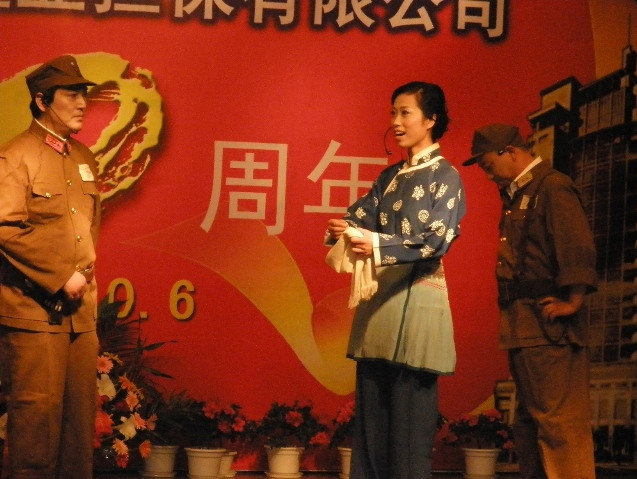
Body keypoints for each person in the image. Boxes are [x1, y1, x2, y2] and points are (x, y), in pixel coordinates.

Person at [326, 81, 466, 479]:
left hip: (417, 298)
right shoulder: (388, 177)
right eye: (393, 113)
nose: (396, 122)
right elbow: (360, 217)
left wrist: (375, 243)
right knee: (371, 421)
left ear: (431, 119)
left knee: (408, 422)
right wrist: (344, 229)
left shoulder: (446, 176)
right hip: (380, 300)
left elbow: (436, 240)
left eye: (405, 113)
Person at [462, 124, 597, 479]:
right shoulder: (520, 194)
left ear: (510, 151)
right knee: (530, 423)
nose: (488, 175)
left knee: (559, 423)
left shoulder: (552, 186)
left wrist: (573, 302)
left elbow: (577, 246)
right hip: (524, 324)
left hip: (548, 327)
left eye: (489, 165)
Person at [0, 55, 101, 479]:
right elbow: (5, 228)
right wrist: (60, 275)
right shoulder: (17, 155)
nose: (82, 103)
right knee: (35, 429)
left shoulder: (84, 157)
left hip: (81, 316)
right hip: (33, 314)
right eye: (70, 94)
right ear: (42, 101)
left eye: (83, 94)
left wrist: (82, 281)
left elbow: (88, 229)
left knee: (79, 433)